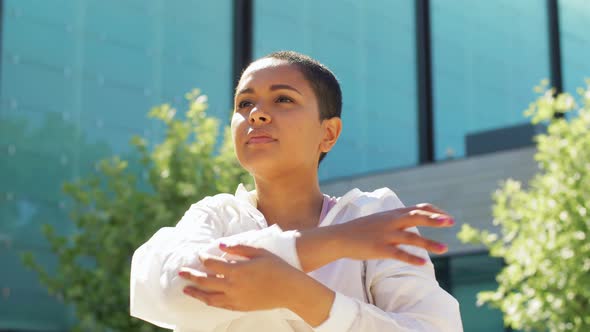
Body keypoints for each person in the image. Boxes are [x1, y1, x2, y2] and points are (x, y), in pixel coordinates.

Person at [130, 51, 463, 331]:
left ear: (329, 133)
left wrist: (300, 294)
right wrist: (334, 242)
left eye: (283, 99)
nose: (256, 114)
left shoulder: (369, 214)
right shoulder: (214, 216)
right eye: (244, 103)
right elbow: (168, 289)